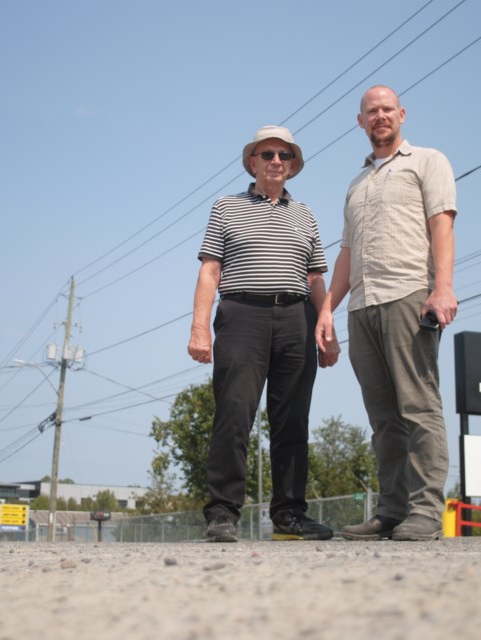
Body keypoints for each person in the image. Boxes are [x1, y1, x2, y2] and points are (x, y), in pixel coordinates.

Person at [316, 85, 458, 541]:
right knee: (383, 418)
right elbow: (346, 253)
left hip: (408, 296)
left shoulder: (428, 162)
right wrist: (326, 310)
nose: (379, 116)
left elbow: (442, 225)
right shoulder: (356, 184)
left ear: (401, 114)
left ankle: (425, 511)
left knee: (419, 407)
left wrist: (443, 288)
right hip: (362, 306)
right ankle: (392, 511)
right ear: (360, 122)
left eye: (386, 109)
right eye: (370, 111)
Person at [189, 125, 337, 542]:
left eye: (284, 155)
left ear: (292, 166)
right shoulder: (226, 207)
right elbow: (210, 270)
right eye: (267, 154)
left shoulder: (305, 214)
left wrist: (327, 326)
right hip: (242, 315)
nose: (276, 161)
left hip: (297, 318)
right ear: (253, 161)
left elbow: (316, 278)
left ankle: (289, 516)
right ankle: (222, 513)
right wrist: (200, 327)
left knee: (292, 420)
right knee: (234, 414)